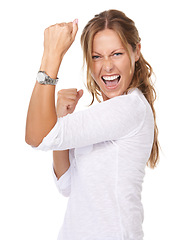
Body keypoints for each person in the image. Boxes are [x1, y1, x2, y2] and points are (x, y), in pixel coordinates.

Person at [25, 9, 159, 240]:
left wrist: (52, 55)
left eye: (116, 54)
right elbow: (67, 184)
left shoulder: (129, 108)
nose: (106, 67)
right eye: (97, 56)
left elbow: (37, 137)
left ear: (136, 51)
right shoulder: (104, 116)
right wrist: (61, 119)